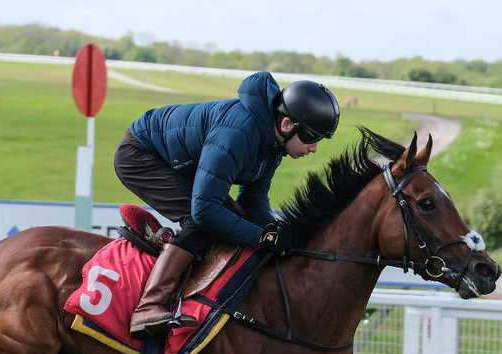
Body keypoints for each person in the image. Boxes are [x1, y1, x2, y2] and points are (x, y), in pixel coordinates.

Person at [115, 72, 341, 339]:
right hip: (140, 156)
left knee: (234, 220)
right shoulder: (238, 132)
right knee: (202, 223)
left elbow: (253, 201)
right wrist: (262, 237)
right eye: (312, 138)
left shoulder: (273, 144)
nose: (314, 148)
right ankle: (148, 307)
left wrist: (275, 231)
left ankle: (171, 250)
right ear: (287, 124)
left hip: (178, 163)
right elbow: (204, 211)